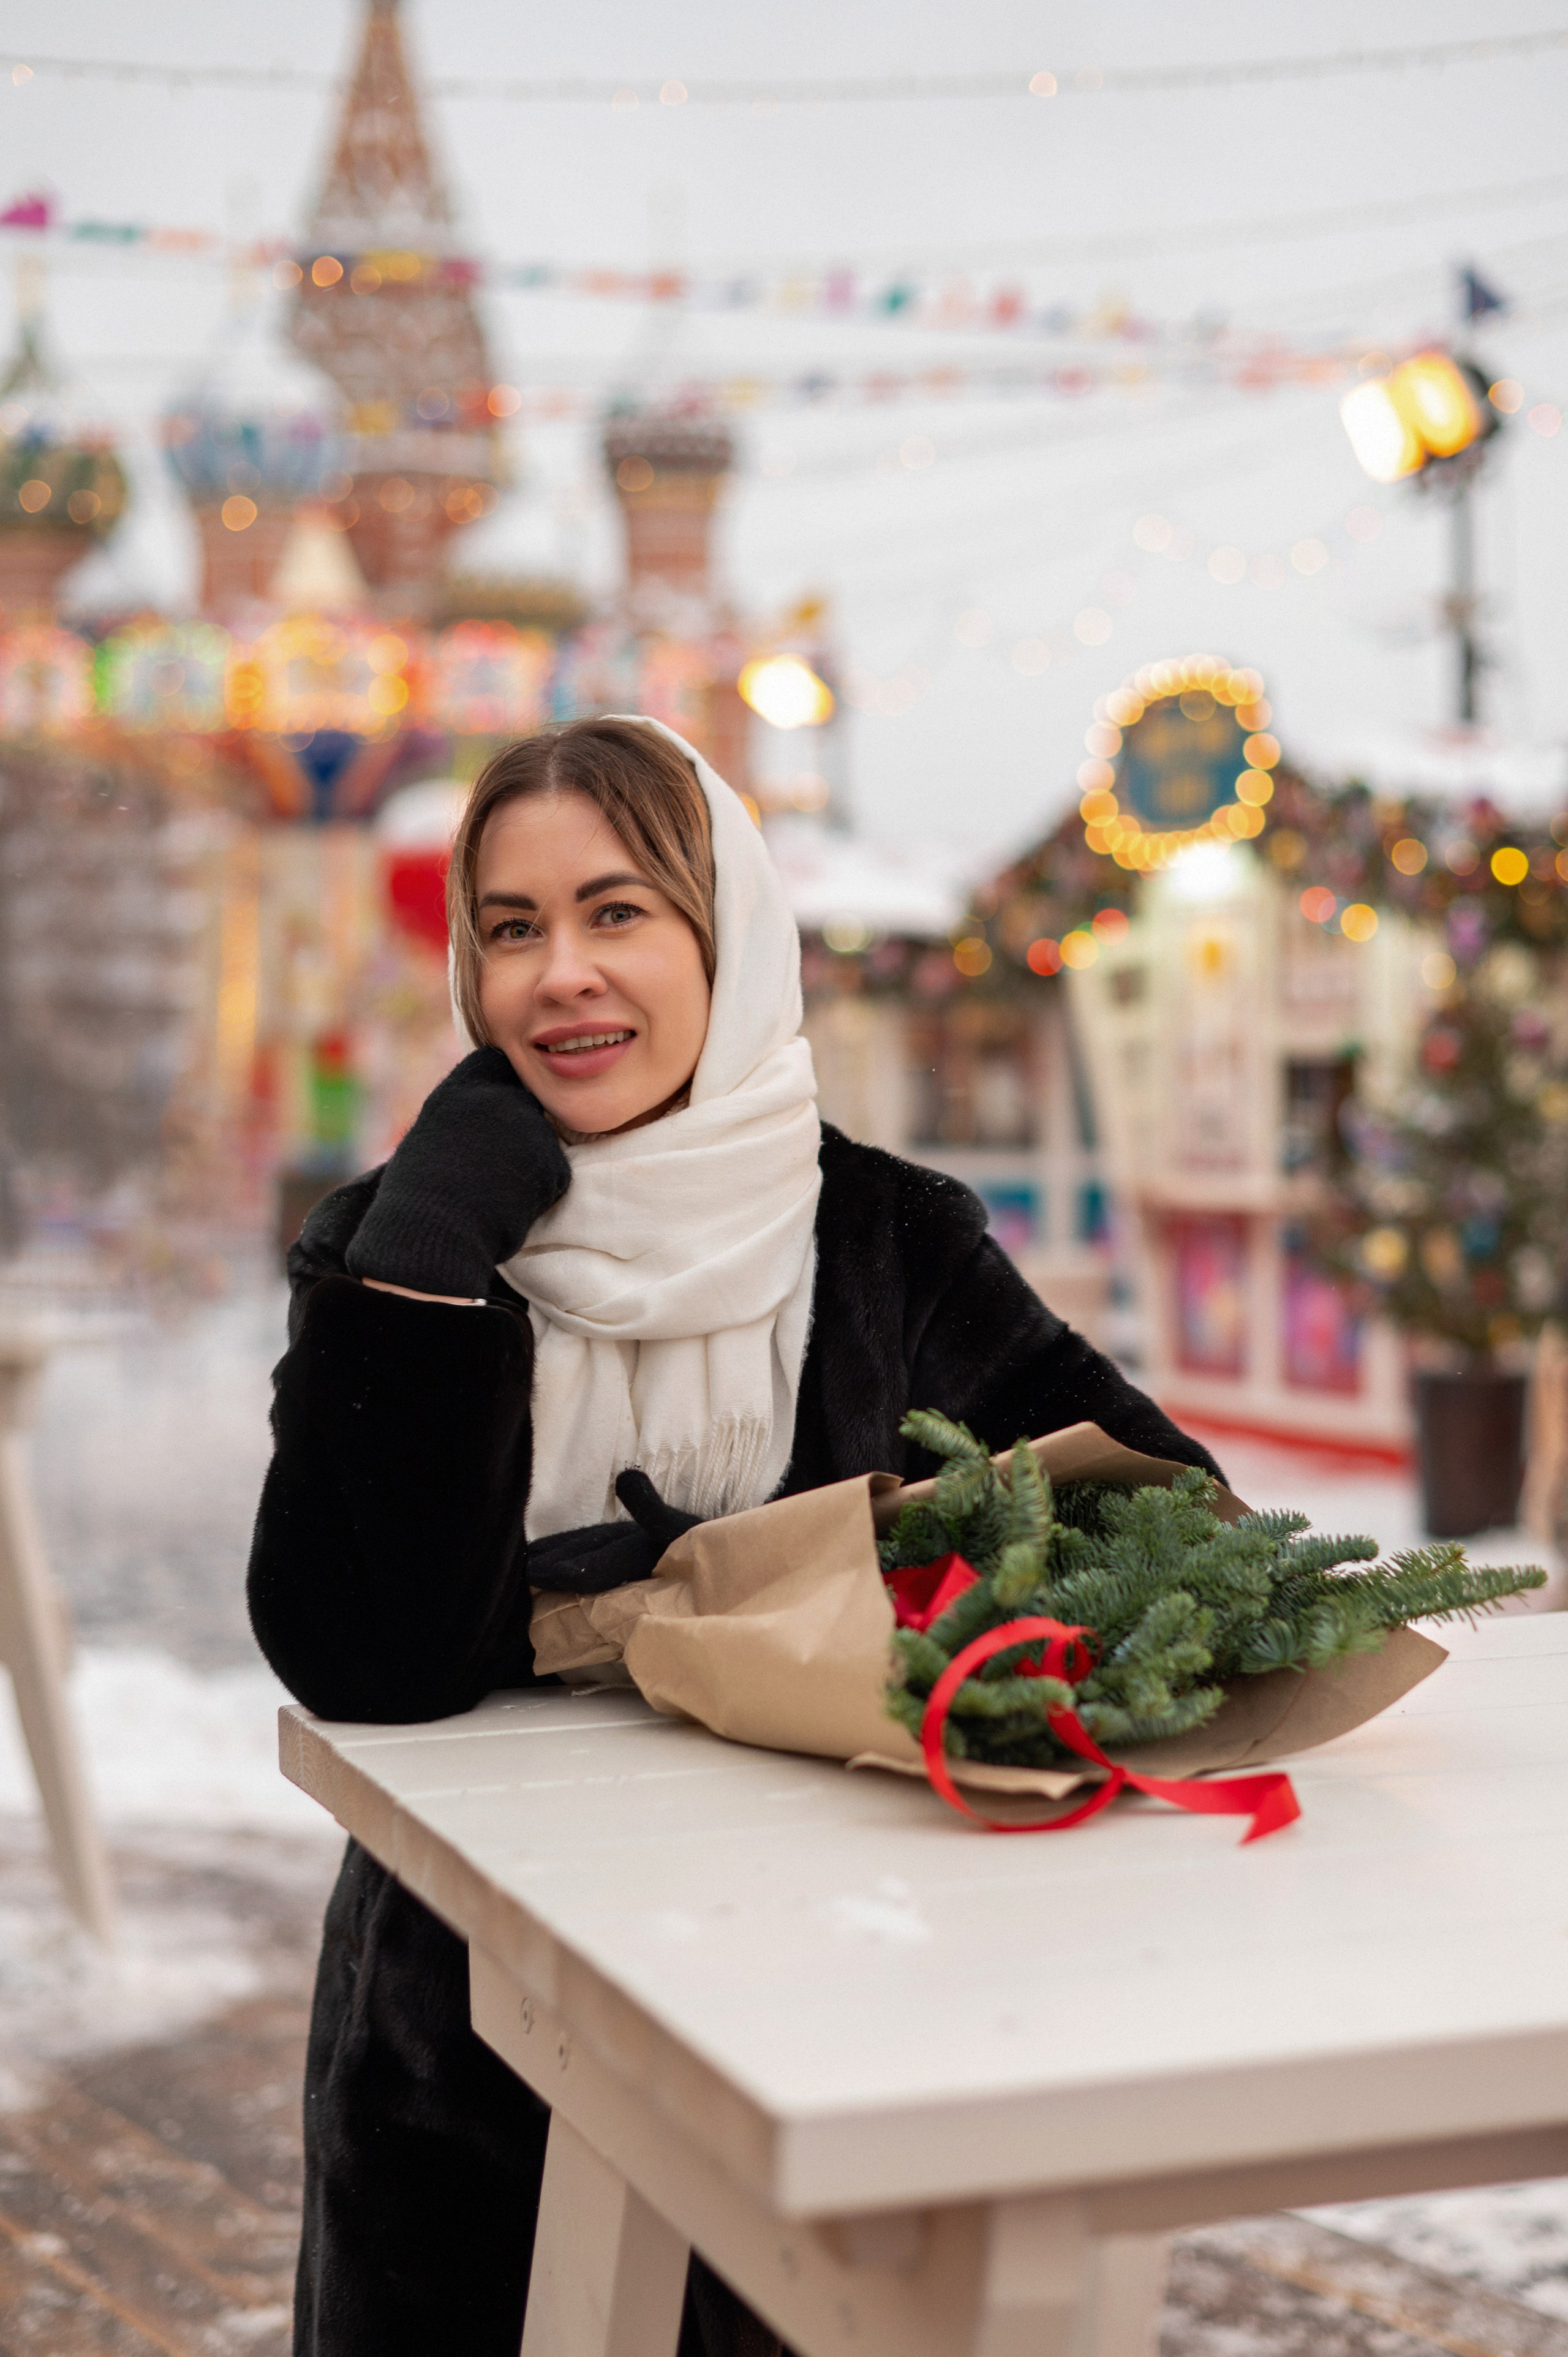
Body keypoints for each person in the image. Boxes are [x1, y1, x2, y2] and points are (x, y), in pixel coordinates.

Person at [249, 715, 1224, 2357]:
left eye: (618, 911)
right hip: (462, 2056)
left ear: (730, 931)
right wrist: (425, 1264)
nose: (561, 973)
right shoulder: (395, 1250)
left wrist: (849, 1605)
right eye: (512, 928)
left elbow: (1170, 1517)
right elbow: (364, 1662)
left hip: (840, 2028)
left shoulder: (889, 1244)